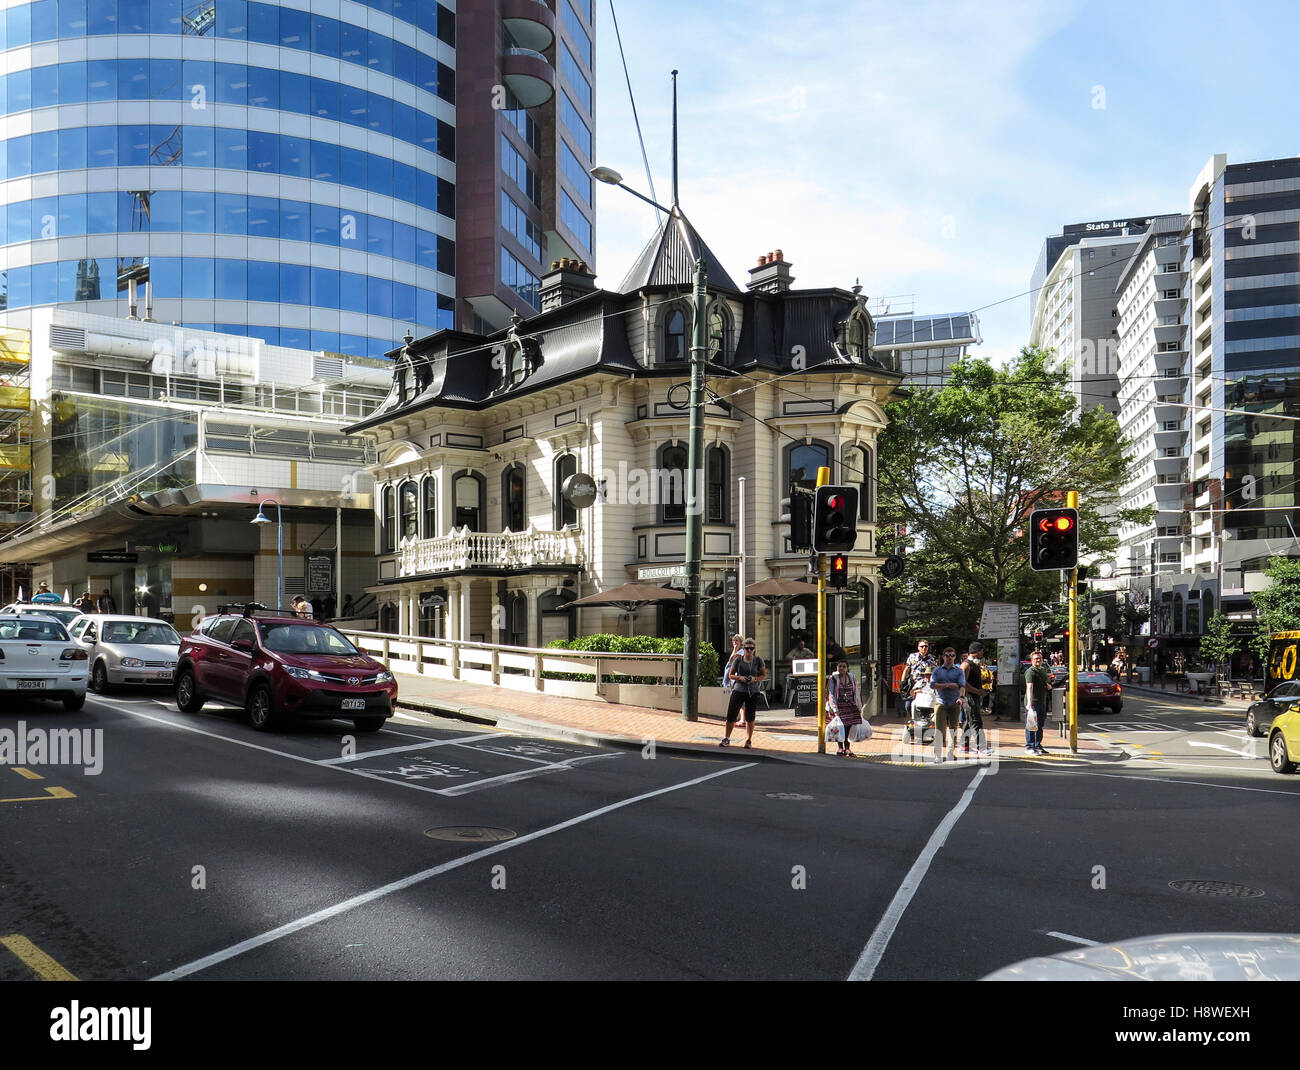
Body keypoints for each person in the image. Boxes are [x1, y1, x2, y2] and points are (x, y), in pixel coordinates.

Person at [721, 638, 765, 749]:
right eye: (747, 648)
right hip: (739, 689)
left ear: (754, 649)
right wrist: (740, 678)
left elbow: (763, 675)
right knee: (731, 714)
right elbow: (730, 675)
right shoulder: (738, 660)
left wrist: (754, 679)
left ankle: (749, 740)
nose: (749, 650)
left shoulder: (758, 660)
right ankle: (727, 738)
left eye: (751, 648)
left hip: (752, 691)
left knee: (750, 717)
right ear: (743, 648)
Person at [929, 647, 966, 763]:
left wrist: (961, 697)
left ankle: (950, 753)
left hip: (955, 703)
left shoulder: (959, 671)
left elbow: (961, 686)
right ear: (943, 657)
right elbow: (932, 685)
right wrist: (948, 685)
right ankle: (938, 755)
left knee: (953, 729)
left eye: (952, 655)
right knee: (939, 730)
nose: (950, 658)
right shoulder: (937, 670)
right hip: (940, 703)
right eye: (947, 655)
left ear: (955, 657)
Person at [826, 660, 863, 757]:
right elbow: (831, 694)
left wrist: (859, 706)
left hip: (850, 706)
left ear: (847, 668)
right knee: (839, 727)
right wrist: (835, 709)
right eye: (839, 666)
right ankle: (840, 747)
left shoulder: (852, 677)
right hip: (839, 707)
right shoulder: (833, 678)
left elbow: (856, 692)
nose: (841, 668)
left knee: (848, 727)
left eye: (843, 666)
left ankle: (847, 748)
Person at [960, 642, 992, 756]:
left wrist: (982, 686)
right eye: (981, 650)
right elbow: (963, 683)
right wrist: (977, 691)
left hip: (973, 696)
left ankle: (964, 745)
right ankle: (981, 748)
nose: (982, 652)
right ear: (977, 651)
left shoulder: (973, 664)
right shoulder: (966, 665)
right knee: (975, 721)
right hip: (969, 697)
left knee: (969, 721)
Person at [902, 640, 937, 718]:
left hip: (925, 685)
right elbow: (907, 669)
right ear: (918, 647)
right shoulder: (912, 656)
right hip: (913, 684)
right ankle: (913, 719)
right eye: (922, 646)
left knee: (925, 705)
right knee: (908, 706)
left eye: (926, 646)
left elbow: (935, 672)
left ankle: (924, 720)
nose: (924, 648)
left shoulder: (932, 658)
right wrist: (902, 682)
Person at [1025, 649, 1051, 754]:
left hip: (1042, 702)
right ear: (1032, 660)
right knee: (1031, 725)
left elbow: (1046, 683)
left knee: (1040, 725)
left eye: (1040, 658)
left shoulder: (1043, 670)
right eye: (1036, 659)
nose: (1038, 660)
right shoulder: (1030, 672)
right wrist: (1029, 703)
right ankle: (1029, 747)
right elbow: (1029, 687)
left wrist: (1048, 685)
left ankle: (1037, 745)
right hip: (1033, 703)